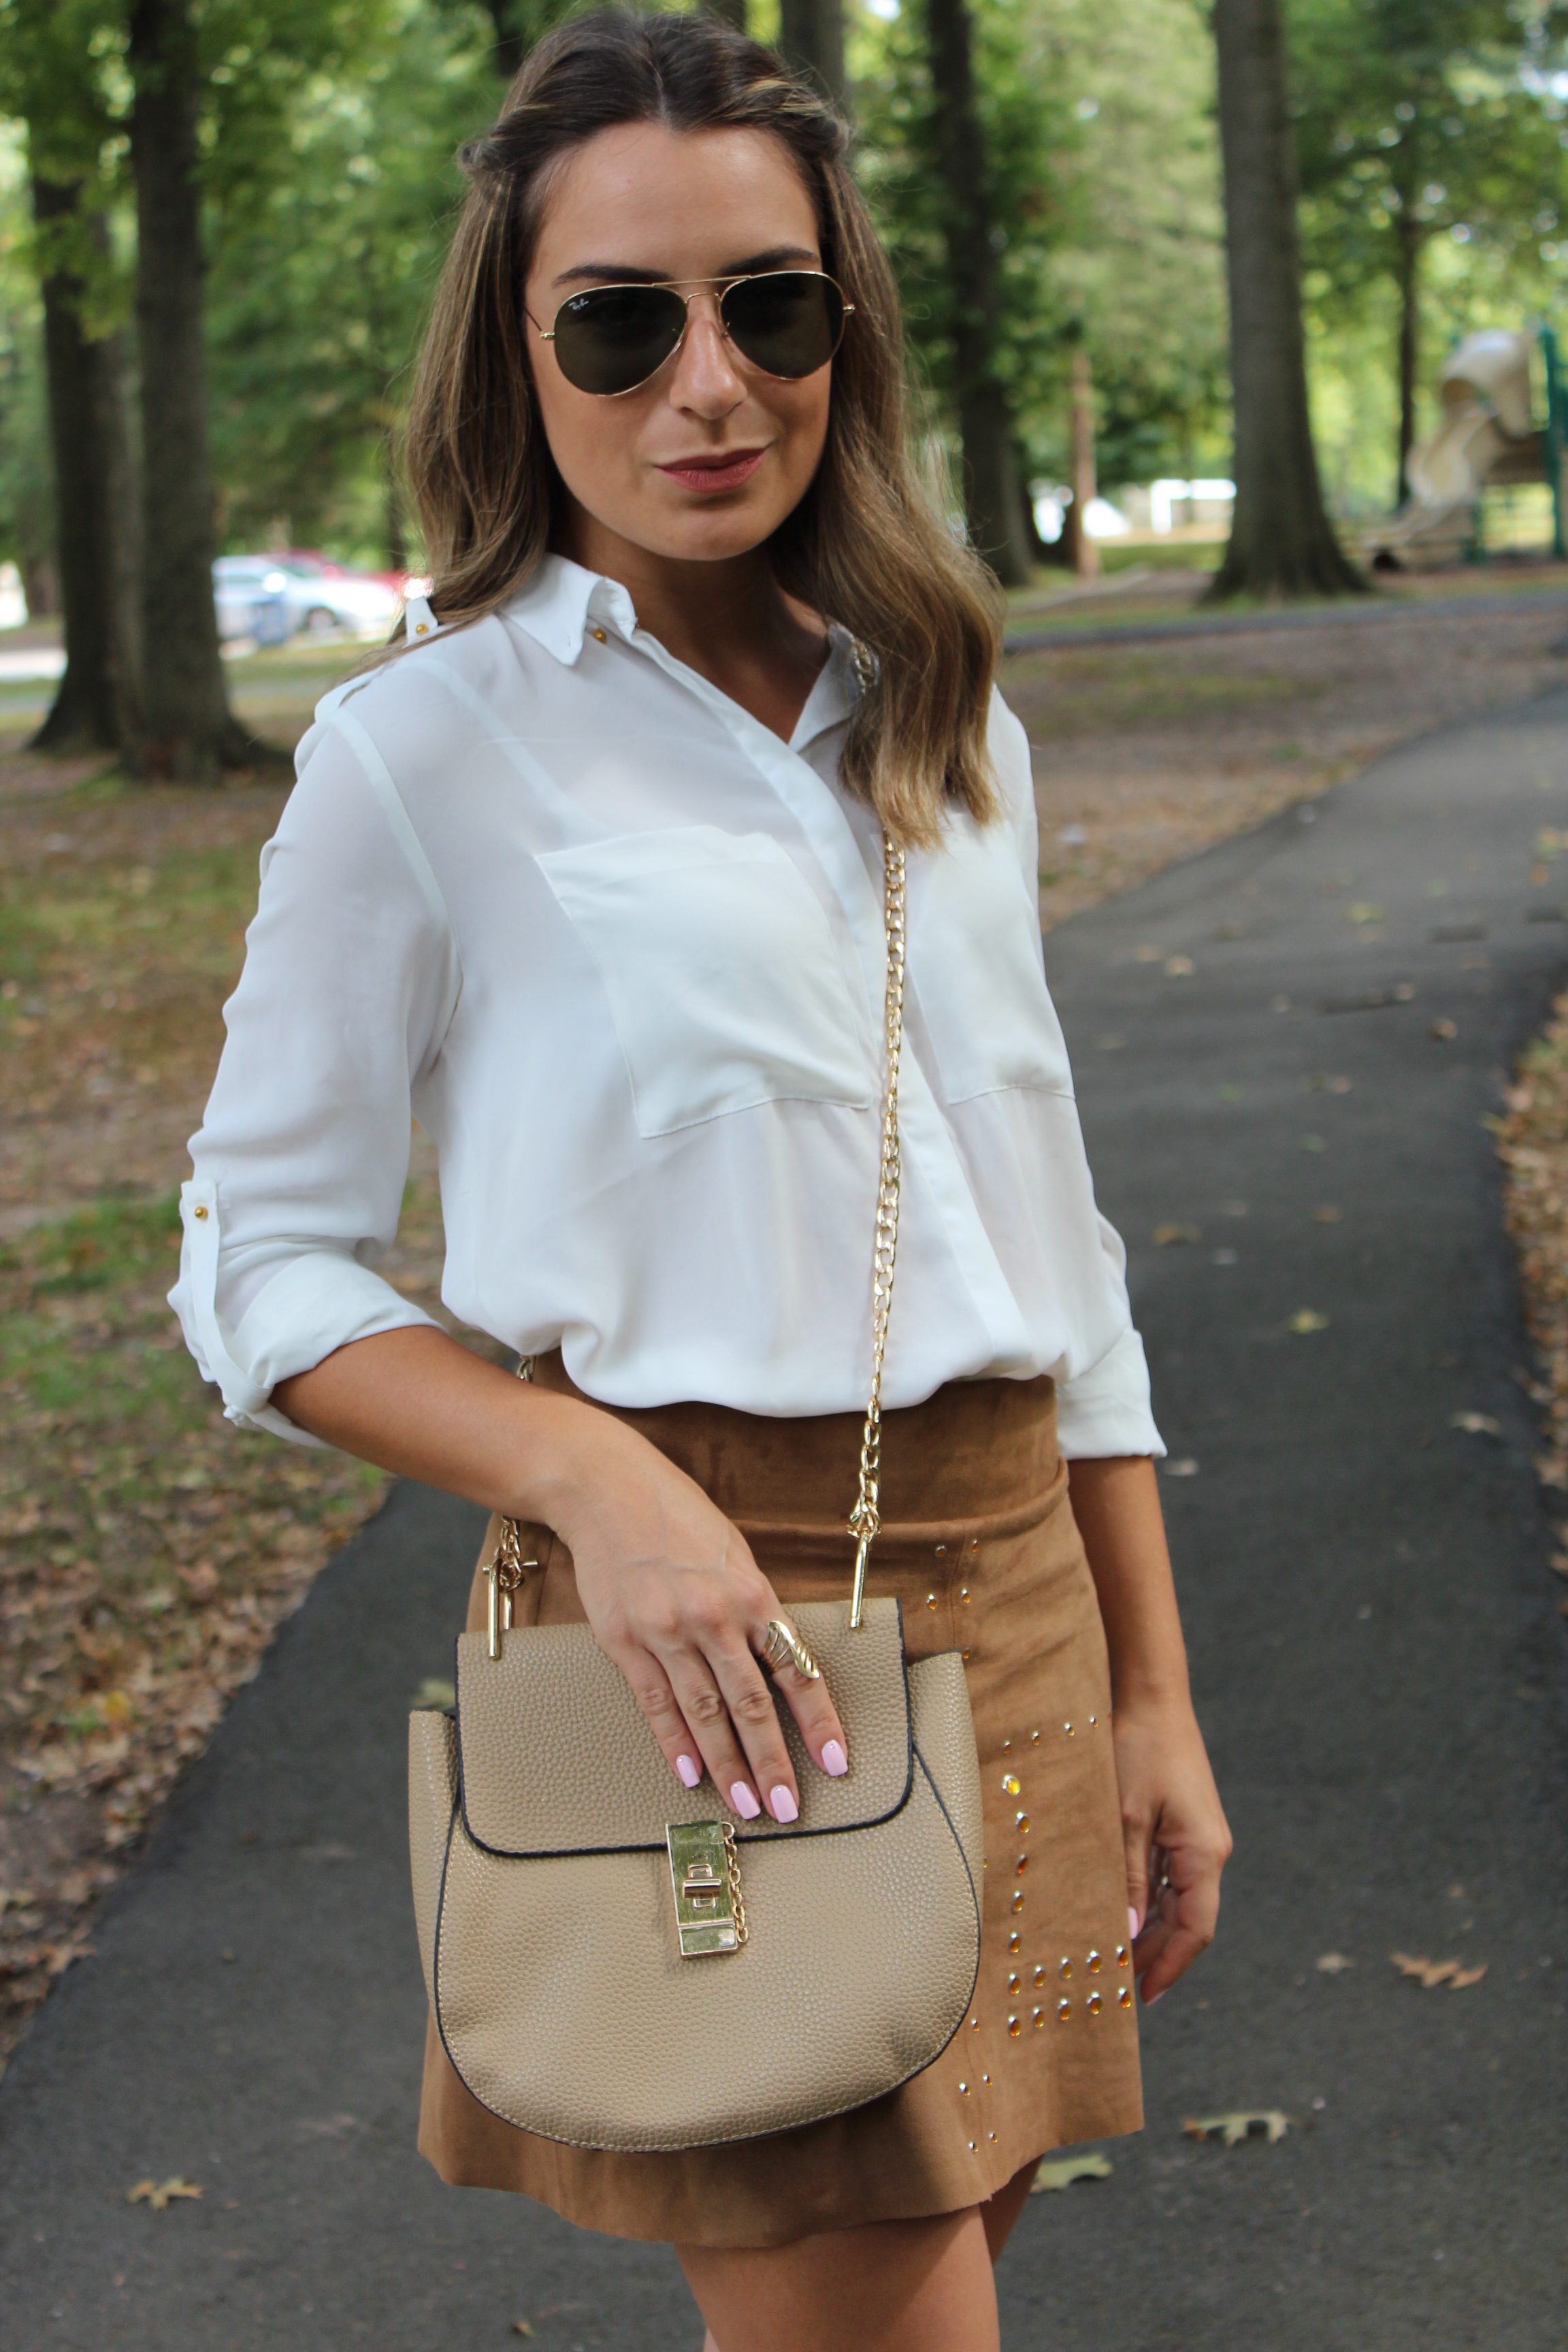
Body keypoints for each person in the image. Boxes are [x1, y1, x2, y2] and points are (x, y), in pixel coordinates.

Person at [171, 14, 1230, 2348]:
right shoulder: (422, 755)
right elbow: (258, 1259)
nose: (712, 385)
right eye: (621, 326)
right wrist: (589, 1478)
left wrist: (1155, 1692)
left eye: (771, 306)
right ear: (516, 353)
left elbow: (1059, 1247)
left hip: (1022, 1600)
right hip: (714, 1651)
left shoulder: (947, 713)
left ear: (846, 326)